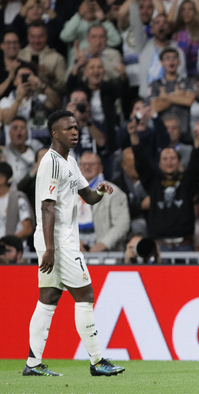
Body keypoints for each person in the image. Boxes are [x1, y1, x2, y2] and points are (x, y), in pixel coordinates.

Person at [23, 110, 125, 376]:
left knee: (48, 299)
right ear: (55, 134)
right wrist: (51, 249)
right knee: (86, 295)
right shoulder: (51, 162)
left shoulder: (70, 161)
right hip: (58, 242)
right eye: (68, 128)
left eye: (76, 127)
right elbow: (47, 207)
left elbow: (88, 196)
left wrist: (100, 191)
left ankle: (33, 365)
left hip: (58, 241)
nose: (75, 131)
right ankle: (97, 361)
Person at [130, 117, 199, 252]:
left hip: (185, 245)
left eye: (173, 158)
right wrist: (134, 135)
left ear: (179, 162)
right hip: (159, 246)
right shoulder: (153, 181)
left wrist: (198, 140)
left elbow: (196, 165)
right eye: (165, 158)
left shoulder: (187, 180)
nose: (169, 162)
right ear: (159, 163)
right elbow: (141, 162)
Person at [77, 153, 130, 252]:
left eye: (92, 164)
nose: (87, 167)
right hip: (74, 249)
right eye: (83, 164)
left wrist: (104, 243)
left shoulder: (113, 192)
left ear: (100, 168)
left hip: (104, 252)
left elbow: (122, 224)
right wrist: (72, 241)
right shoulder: (68, 191)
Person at [149, 47, 196, 141]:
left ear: (179, 62)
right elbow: (155, 108)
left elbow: (189, 101)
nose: (171, 60)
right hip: (163, 131)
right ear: (162, 63)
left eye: (174, 58)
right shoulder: (155, 84)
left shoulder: (188, 81)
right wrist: (178, 97)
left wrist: (165, 97)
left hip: (184, 132)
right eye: (167, 58)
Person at [59, 0, 121, 64]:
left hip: (99, 67)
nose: (89, 8)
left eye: (93, 6)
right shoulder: (75, 22)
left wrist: (103, 19)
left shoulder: (103, 23)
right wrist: (79, 14)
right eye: (87, 6)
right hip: (77, 66)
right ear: (80, 7)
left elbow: (116, 41)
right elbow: (64, 37)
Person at [18, 21, 67, 94]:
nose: (36, 41)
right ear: (28, 37)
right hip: (22, 96)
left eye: (40, 36)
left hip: (47, 97)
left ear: (46, 36)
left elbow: (64, 87)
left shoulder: (57, 58)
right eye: (33, 36)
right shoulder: (19, 55)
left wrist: (51, 77)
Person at [65, 89, 107, 162]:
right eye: (75, 101)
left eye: (83, 101)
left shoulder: (96, 124)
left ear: (88, 105)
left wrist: (87, 121)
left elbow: (101, 142)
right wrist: (67, 117)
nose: (79, 105)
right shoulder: (62, 124)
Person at [169, 0, 199, 77]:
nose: (186, 12)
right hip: (180, 75)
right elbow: (169, 20)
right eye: (183, 10)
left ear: (194, 12)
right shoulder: (175, 31)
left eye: (190, 9)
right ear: (179, 13)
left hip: (198, 75)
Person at [0, 162, 33, 241]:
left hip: (14, 250)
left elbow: (27, 229)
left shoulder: (18, 199)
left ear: (2, 179)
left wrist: (7, 243)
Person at [3, 117, 35, 184]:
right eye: (15, 128)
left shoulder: (35, 152)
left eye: (22, 128)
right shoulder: (3, 153)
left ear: (27, 133)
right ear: (9, 133)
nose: (19, 130)